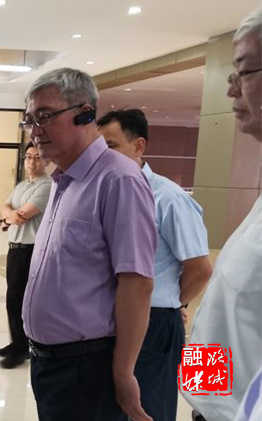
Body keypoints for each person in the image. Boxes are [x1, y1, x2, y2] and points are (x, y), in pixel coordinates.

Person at [20, 68, 157, 421]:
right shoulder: (63, 179)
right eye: (30, 120)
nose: (35, 131)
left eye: (45, 116)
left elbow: (137, 282)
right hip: (49, 363)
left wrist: (123, 372)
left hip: (88, 368)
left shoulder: (118, 178)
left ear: (84, 113)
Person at [97, 109, 213, 421]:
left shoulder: (168, 198)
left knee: (149, 409)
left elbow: (200, 268)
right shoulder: (107, 191)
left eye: (110, 146)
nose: (101, 156)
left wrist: (172, 302)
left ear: (139, 146)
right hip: (110, 319)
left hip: (154, 323)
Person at [186, 6, 262, 421]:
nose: (231, 90)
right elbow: (229, 312)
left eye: (244, 72)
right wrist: (199, 395)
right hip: (208, 405)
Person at [0, 142, 52, 369]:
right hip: (15, 248)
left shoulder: (47, 185)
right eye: (28, 156)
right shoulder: (22, 185)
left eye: (37, 157)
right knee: (13, 298)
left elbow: (24, 214)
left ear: (46, 160)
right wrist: (9, 216)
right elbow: (5, 207)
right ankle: (17, 342)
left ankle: (21, 348)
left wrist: (8, 218)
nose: (31, 161)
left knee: (20, 300)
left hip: (30, 250)